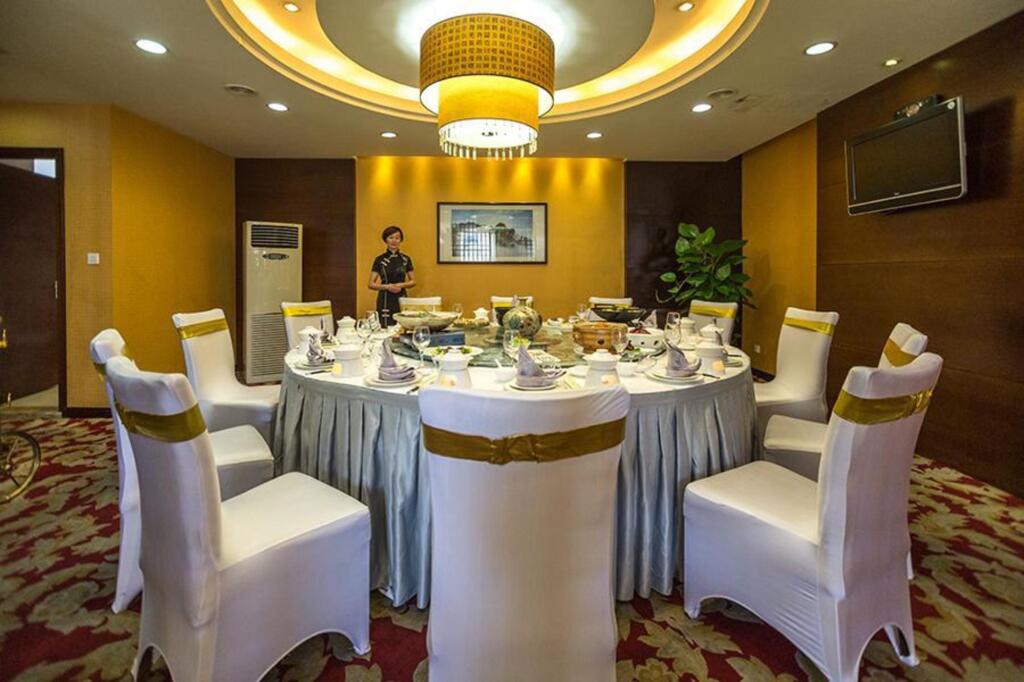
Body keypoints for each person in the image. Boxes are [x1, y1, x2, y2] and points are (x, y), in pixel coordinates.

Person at [369, 225, 416, 326]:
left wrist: (400, 285)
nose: (394, 241)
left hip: (401, 296)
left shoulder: (406, 259)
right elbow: (371, 284)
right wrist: (387, 287)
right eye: (391, 237)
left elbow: (413, 281)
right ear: (385, 240)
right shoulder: (379, 260)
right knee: (385, 326)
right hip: (385, 298)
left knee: (402, 326)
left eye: (397, 238)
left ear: (401, 240)